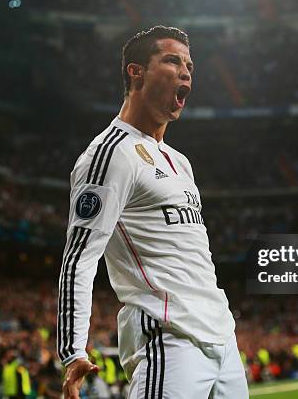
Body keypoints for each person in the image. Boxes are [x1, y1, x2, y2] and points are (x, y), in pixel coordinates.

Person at [57, 26, 248, 398]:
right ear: (136, 72)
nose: (186, 71)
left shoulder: (180, 162)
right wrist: (72, 349)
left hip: (222, 340)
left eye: (190, 65)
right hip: (170, 338)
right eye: (173, 60)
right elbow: (79, 258)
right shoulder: (110, 154)